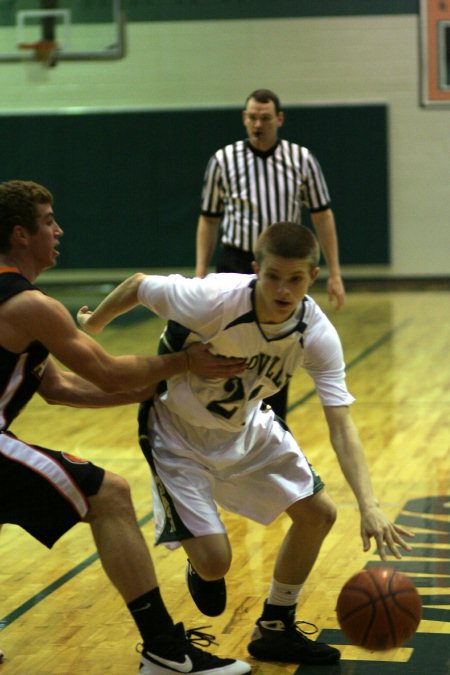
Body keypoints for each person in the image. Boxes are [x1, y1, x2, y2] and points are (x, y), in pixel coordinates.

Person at [78, 221, 414, 668]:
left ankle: (275, 626)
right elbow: (139, 286)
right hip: (177, 432)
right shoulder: (212, 299)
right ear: (257, 269)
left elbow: (342, 424)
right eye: (273, 275)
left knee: (319, 514)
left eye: (295, 279)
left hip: (246, 427)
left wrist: (369, 503)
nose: (282, 288)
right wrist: (92, 325)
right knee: (217, 563)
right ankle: (202, 563)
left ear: (311, 278)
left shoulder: (315, 331)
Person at [0, 180, 251, 675]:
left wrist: (149, 392)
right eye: (49, 220)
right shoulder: (32, 306)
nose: (59, 229)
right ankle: (164, 651)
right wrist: (182, 363)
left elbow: (59, 387)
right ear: (21, 235)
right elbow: (108, 372)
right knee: (109, 495)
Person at [195, 88, 346, 420]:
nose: (257, 123)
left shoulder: (301, 159)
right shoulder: (223, 160)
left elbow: (323, 215)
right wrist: (200, 271)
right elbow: (208, 219)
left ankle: (272, 424)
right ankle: (219, 420)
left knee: (277, 348)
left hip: (281, 266)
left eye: (264, 117)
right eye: (252, 117)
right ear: (244, 118)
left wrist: (334, 272)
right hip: (236, 262)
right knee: (226, 347)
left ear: (279, 119)